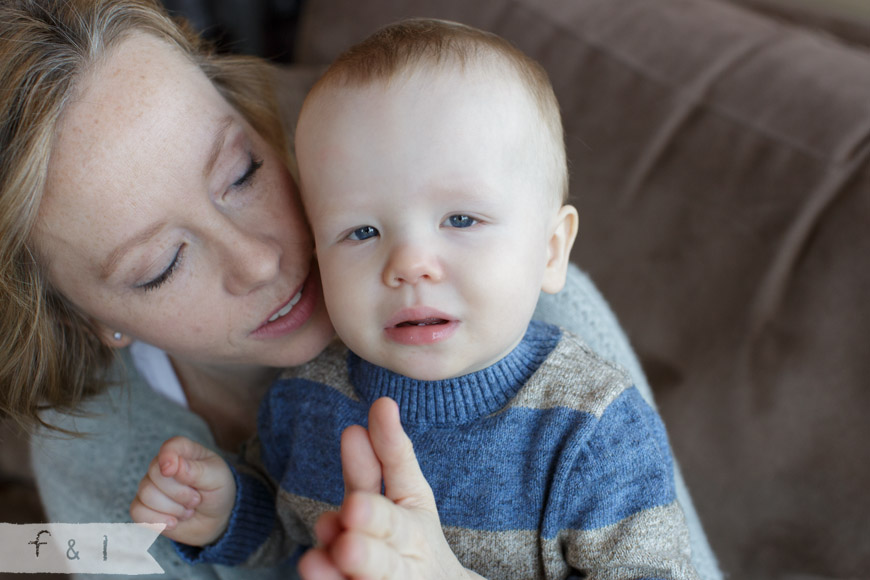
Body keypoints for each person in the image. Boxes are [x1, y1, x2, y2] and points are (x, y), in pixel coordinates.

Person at [0, 1, 719, 578]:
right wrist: (227, 519)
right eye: (161, 264)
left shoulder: (524, 315)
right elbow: (273, 523)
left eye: (242, 173)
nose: (258, 260)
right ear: (89, 319)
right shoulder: (93, 459)